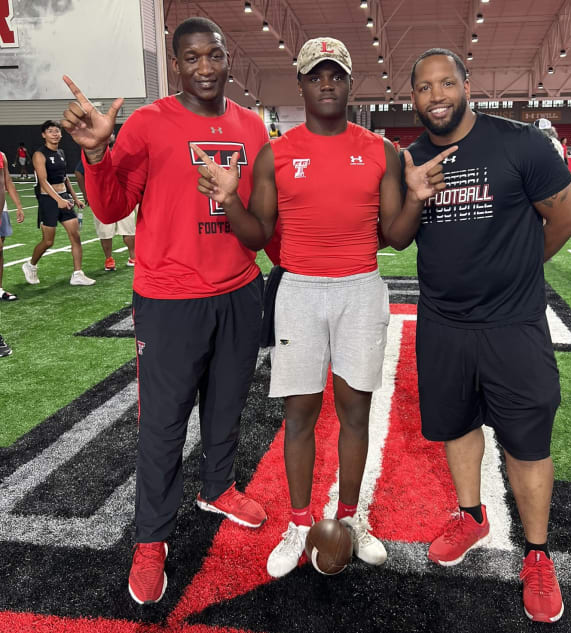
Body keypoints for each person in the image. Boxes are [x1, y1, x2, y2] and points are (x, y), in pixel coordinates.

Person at [192, 36, 452, 580]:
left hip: (360, 287)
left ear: (349, 80)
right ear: (302, 84)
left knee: (356, 410)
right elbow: (256, 233)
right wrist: (231, 201)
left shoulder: (379, 150)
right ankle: (299, 521)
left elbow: (396, 238)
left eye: (335, 73)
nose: (326, 83)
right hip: (301, 292)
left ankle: (352, 520)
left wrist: (416, 199)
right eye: (316, 75)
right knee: (300, 414)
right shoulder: (276, 153)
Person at [61, 17, 277, 605]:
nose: (204, 67)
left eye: (214, 55)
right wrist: (101, 151)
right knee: (161, 425)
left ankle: (218, 486)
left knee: (228, 403)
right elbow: (109, 207)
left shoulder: (251, 125)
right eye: (192, 58)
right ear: (176, 64)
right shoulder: (151, 123)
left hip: (238, 291)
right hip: (170, 300)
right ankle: (152, 539)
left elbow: (259, 218)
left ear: (228, 59)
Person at [383, 48, 571, 623]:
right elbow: (395, 239)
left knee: (527, 441)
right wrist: (415, 194)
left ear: (468, 85)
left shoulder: (520, 144)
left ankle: (539, 556)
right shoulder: (411, 158)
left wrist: (520, 273)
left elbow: (566, 216)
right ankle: (470, 515)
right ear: (412, 97)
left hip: (513, 326)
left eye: (447, 83)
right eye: (424, 87)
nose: (437, 95)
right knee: (458, 425)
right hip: (443, 324)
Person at [22, 120, 95, 286]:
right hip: (48, 200)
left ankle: (77, 273)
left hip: (64, 198)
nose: (55, 134)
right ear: (44, 135)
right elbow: (43, 181)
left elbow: (65, 177)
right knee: (48, 241)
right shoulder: (39, 154)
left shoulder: (61, 153)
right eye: (50, 131)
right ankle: (30, 265)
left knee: (75, 235)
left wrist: (74, 198)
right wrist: (59, 200)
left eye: (57, 131)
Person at [74, 137, 137, 271]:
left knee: (129, 229)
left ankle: (133, 257)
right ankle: (109, 259)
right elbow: (79, 172)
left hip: (123, 198)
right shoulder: (95, 155)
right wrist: (86, 194)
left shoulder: (123, 154)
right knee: (105, 232)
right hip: (102, 199)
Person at [1, 149, 25, 301]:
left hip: (1, 208)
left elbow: (8, 181)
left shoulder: (1, 156)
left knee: (0, 250)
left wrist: (18, 206)